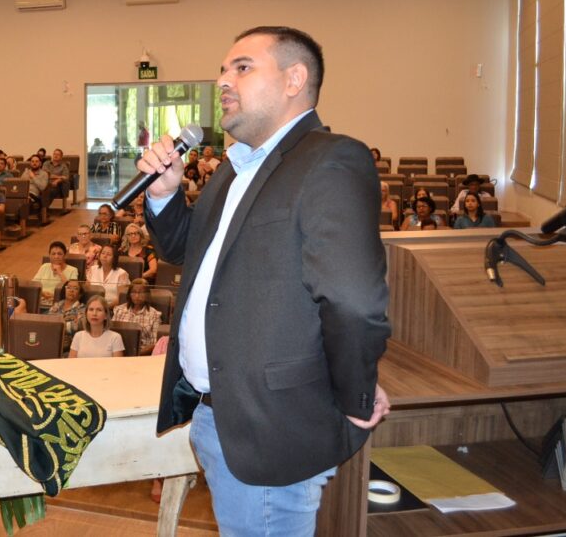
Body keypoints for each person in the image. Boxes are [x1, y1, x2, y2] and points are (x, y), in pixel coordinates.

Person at [137, 26, 390, 536]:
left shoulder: (330, 159)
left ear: (294, 79)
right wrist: (165, 195)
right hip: (219, 415)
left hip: (271, 426)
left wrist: (353, 394)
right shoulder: (235, 168)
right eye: (222, 70)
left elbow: (353, 300)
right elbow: (188, 252)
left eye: (242, 68)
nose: (223, 81)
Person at [111, 278, 161, 355]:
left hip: (141, 354)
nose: (137, 296)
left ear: (147, 294)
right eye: (134, 292)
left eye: (141, 292)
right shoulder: (119, 310)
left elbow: (154, 343)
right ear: (129, 294)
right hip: (117, 352)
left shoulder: (154, 315)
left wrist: (136, 354)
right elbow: (111, 334)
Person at [33, 240, 79, 309]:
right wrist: (43, 293)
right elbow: (34, 285)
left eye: (59, 254)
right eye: (53, 254)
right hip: (40, 301)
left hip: (59, 303)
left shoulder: (73, 270)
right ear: (49, 255)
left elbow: (72, 290)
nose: (56, 256)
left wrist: (60, 272)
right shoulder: (44, 266)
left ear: (65, 255)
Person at [48, 279, 86, 351]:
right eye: (68, 287)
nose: (71, 290)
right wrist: (67, 324)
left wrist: (57, 325)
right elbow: (48, 323)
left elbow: (76, 326)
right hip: (51, 341)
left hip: (70, 347)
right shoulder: (56, 306)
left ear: (80, 294)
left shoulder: (82, 309)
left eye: (75, 288)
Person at [21, 154, 50, 224]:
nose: (34, 163)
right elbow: (20, 184)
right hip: (23, 194)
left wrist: (33, 177)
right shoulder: (25, 173)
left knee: (25, 202)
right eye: (32, 161)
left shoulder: (44, 174)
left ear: (40, 163)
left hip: (34, 196)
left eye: (36, 161)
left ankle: (21, 223)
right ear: (30, 163)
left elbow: (42, 187)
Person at [44, 148, 71, 213]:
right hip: (45, 183)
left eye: (58, 154)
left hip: (57, 185)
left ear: (61, 157)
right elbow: (45, 175)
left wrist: (57, 181)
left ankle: (44, 209)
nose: (55, 155)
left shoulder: (63, 166)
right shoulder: (46, 163)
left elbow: (65, 177)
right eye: (54, 154)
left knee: (51, 191)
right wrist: (59, 176)